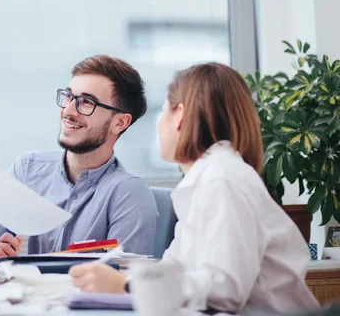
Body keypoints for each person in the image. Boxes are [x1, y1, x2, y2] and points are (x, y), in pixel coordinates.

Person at [69, 62, 320, 314]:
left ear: (180, 115)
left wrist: (126, 283)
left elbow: (225, 289)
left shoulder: (222, 178)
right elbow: (172, 268)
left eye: (163, 113)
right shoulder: (208, 179)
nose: (159, 126)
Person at [0, 55, 158, 260]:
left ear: (120, 123)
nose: (68, 111)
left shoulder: (130, 194)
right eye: (68, 96)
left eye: (87, 102)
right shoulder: (27, 170)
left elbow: (122, 281)